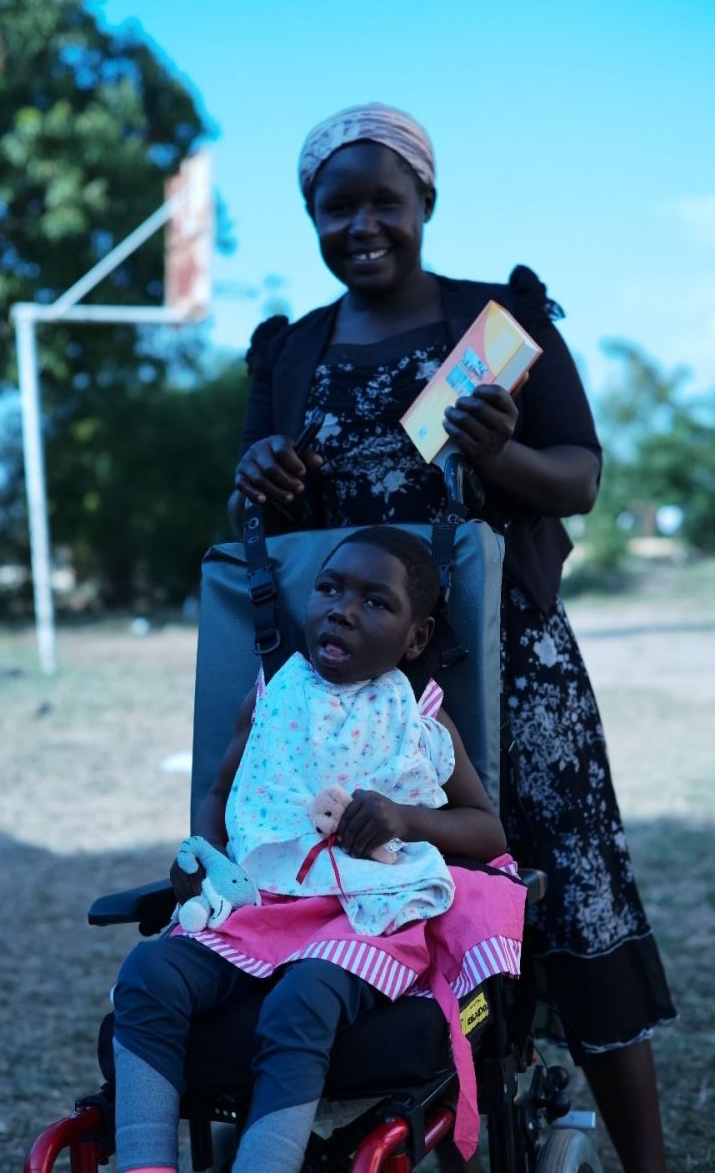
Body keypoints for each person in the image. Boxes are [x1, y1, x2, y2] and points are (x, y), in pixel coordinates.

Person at [229, 104, 676, 1173]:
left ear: (423, 201)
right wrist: (257, 482)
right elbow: (261, 524)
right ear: (312, 219)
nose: (362, 224)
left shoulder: (492, 325)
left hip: (508, 663)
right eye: (336, 207)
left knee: (562, 893)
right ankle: (445, 1100)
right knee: (365, 868)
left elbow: (576, 473)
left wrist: (505, 455)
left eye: (385, 199)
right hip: (351, 684)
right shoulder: (290, 353)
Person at [113, 526, 520, 1173]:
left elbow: (487, 832)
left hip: (367, 917)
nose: (343, 609)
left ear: (416, 638)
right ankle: (143, 1162)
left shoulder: (420, 718)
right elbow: (222, 794)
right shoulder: (271, 697)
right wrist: (207, 859)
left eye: (375, 602)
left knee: (301, 1001)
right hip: (263, 905)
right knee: (146, 974)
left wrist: (404, 819)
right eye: (328, 589)